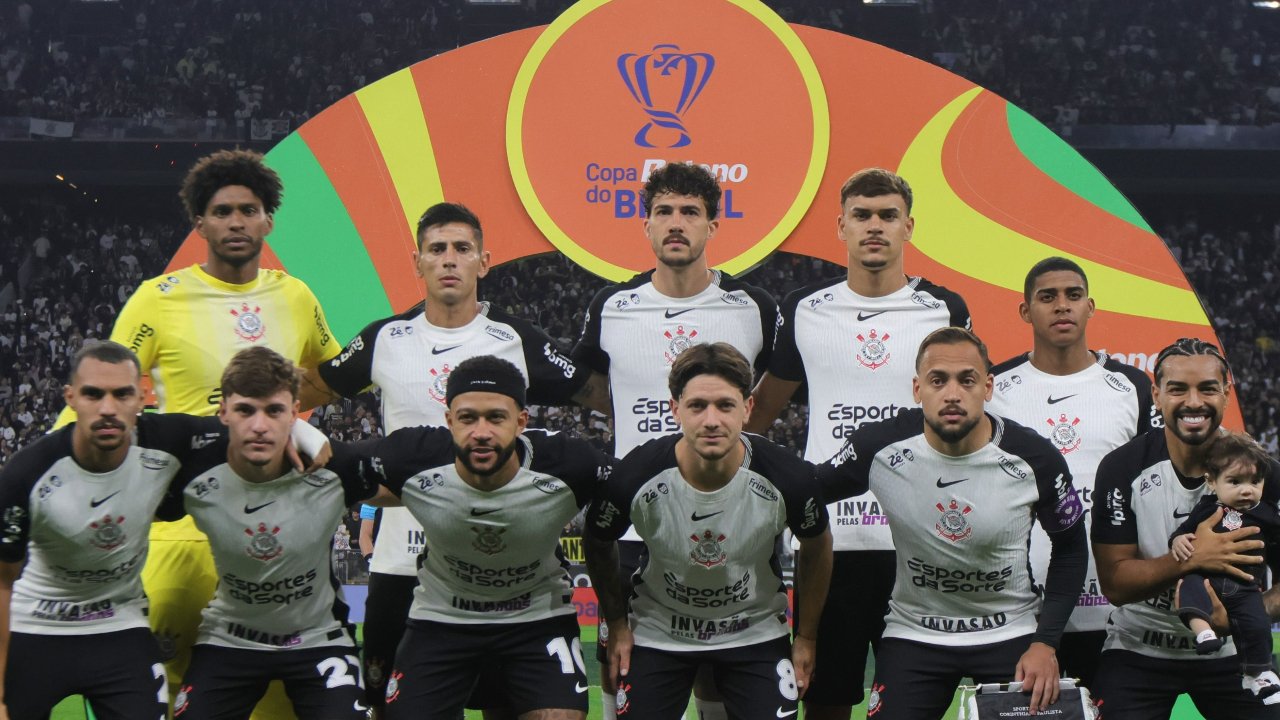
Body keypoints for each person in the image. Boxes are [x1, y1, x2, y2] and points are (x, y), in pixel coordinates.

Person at [54, 149, 341, 719]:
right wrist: (52, 471)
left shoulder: (297, 296)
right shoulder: (155, 299)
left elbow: (327, 380)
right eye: (223, 211)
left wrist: (292, 424)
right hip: (178, 527)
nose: (236, 221)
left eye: (249, 210)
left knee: (280, 698)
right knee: (157, 693)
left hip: (275, 531)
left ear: (268, 220)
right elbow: (104, 390)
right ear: (200, 223)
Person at [315, 201, 608, 714]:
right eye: (437, 249)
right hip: (401, 555)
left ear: (484, 261)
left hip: (498, 550)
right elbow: (304, 392)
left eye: (462, 249)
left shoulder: (517, 341)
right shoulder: (384, 338)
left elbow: (603, 396)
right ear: (417, 262)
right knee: (389, 704)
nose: (449, 259)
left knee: (509, 703)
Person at [744, 167, 970, 719]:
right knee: (824, 702)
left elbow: (966, 417)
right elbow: (760, 414)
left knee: (912, 704)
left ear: (908, 227)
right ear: (840, 225)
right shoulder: (805, 309)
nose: (875, 227)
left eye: (888, 216)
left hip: (920, 541)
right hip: (831, 543)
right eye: (862, 216)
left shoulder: (944, 309)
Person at [0, 341, 320, 719]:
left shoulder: (167, 442)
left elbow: (243, 422)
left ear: (141, 399)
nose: (107, 408)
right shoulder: (27, 472)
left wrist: (307, 433)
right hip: (38, 627)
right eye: (93, 394)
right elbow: (3, 582)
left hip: (120, 626)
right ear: (71, 397)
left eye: (122, 395)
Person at [574, 162, 777, 720]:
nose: (676, 222)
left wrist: (745, 441)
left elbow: (775, 386)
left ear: (713, 225)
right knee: (624, 666)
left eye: (691, 212)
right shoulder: (611, 307)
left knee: (722, 672)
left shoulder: (753, 307)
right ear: (646, 224)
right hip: (637, 519)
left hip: (732, 518)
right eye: (664, 211)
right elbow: (590, 385)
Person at [818, 327, 1087, 718]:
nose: (953, 393)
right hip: (915, 633)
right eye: (938, 380)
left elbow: (1072, 547)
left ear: (988, 387)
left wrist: (1045, 644)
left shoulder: (1034, 458)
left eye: (967, 380)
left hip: (1009, 632)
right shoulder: (879, 447)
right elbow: (806, 490)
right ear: (917, 389)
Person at [326, 355, 613, 720]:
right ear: (448, 421)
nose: (481, 431)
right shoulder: (415, 456)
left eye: (496, 417)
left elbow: (636, 486)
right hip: (442, 618)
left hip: (535, 618)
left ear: (521, 421)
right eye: (467, 418)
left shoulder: (567, 463)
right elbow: (331, 463)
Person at [585, 342, 833, 720]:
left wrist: (806, 637)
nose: (712, 420)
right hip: (659, 632)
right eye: (698, 406)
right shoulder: (635, 475)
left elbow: (817, 543)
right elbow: (599, 540)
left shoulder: (790, 477)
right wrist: (617, 624)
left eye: (725, 405)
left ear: (747, 409)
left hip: (754, 632)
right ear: (675, 409)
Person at [155, 347, 376, 719]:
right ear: (223, 412)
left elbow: (415, 467)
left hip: (317, 639)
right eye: (245, 410)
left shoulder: (334, 469)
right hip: (230, 638)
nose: (259, 426)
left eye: (274, 411)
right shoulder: (195, 474)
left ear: (294, 412)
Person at [987, 256, 1156, 687]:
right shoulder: (994, 388)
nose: (1062, 306)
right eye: (1048, 297)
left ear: (1090, 307)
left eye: (1073, 296)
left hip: (1114, 610)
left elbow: (1152, 488)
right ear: (1026, 311)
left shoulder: (1132, 387)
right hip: (1025, 611)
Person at [1092, 338, 1280, 717]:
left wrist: (1247, 615)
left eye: (1207, 388)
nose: (1194, 402)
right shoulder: (1121, 468)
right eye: (1178, 389)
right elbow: (1114, 584)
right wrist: (1193, 560)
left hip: (1235, 654)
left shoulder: (1264, 473)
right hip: (1137, 648)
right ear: (1157, 395)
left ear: (1226, 394)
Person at [1169, 432, 1280, 703]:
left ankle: (1258, 674)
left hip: (1245, 586)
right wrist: (1179, 540)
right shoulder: (1206, 508)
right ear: (1212, 482)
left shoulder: (1266, 513)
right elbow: (1182, 531)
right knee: (1188, 589)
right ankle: (1203, 632)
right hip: (1208, 580)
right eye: (1235, 481)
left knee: (1257, 624)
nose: (1246, 489)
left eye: (1255, 482)